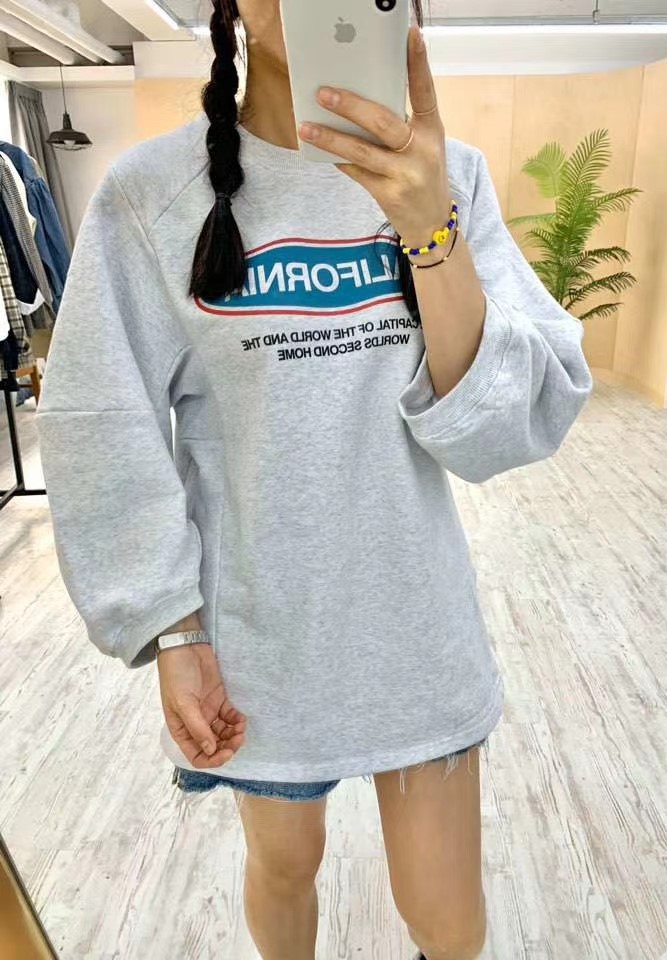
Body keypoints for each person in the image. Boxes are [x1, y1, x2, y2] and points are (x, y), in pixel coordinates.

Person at [35, 1, 594, 958]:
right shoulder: (152, 195)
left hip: (415, 624)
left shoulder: (449, 177)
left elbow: (510, 424)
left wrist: (429, 230)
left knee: (451, 923)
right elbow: (101, 423)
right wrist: (169, 624)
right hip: (260, 641)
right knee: (285, 869)